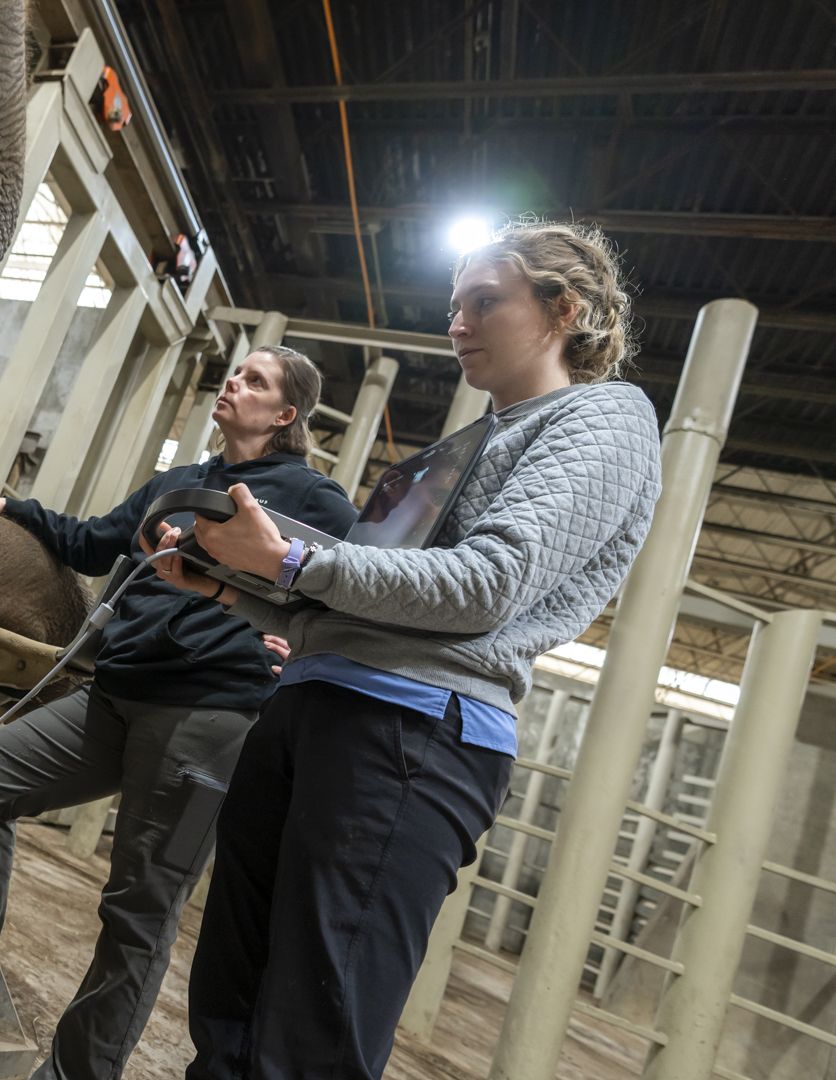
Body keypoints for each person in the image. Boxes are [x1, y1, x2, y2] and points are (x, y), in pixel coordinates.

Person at [145, 220, 664, 1080]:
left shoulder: (605, 416)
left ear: (564, 309)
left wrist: (294, 558)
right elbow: (370, 612)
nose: (456, 323)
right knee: (231, 1003)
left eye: (483, 302)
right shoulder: (469, 443)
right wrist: (233, 588)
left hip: (413, 734)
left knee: (312, 1032)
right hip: (318, 698)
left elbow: (487, 586)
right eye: (454, 304)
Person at [0, 346, 359, 1080]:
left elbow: (350, 589)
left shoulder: (315, 500)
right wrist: (19, 514)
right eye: (236, 371)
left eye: (255, 381)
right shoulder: (182, 483)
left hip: (208, 715)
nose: (234, 383)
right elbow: (97, 541)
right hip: (116, 693)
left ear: (285, 415)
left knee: (138, 910)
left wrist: (305, 655)